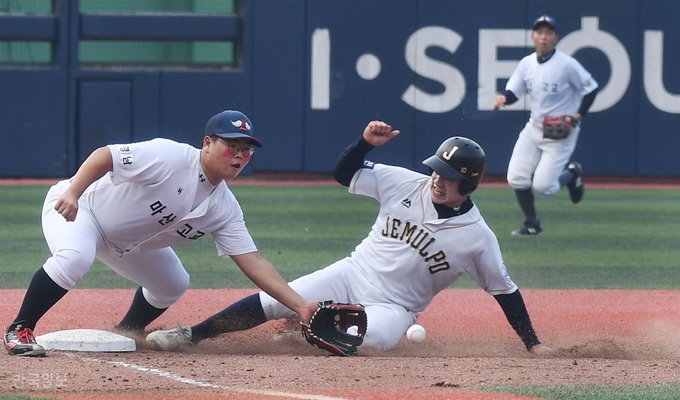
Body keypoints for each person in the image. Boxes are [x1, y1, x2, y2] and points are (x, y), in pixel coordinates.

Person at [146, 120, 554, 356]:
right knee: (275, 299)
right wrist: (363, 144)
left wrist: (532, 344)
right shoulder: (405, 184)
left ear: (468, 183)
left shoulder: (477, 238)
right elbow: (346, 174)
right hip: (351, 273)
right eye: (434, 170)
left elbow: (505, 291)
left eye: (446, 177)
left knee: (370, 341)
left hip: (397, 306)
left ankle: (302, 330)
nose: (435, 180)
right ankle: (191, 334)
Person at [3, 110, 320, 357]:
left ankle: (128, 330)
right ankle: (20, 328)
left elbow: (253, 261)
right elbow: (106, 155)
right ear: (207, 143)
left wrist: (301, 306)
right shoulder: (170, 157)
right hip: (80, 208)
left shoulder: (225, 207)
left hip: (124, 243)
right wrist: (73, 192)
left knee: (174, 282)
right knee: (75, 257)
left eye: (246, 150)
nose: (239, 155)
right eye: (231, 146)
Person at [493, 15, 599, 236]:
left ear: (556, 38)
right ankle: (532, 224)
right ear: (533, 36)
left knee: (544, 187)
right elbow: (514, 91)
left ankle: (572, 174)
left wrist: (577, 116)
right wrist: (504, 98)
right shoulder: (527, 64)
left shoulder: (567, 64)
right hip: (534, 128)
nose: (544, 37)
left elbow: (591, 88)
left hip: (561, 133)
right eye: (539, 32)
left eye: (549, 33)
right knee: (516, 177)